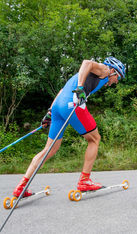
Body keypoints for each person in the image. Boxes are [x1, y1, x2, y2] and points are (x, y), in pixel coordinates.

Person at [13, 57, 126, 197]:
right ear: (113, 71)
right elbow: (87, 63)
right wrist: (79, 88)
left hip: (58, 106)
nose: (116, 81)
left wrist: (49, 112)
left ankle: (21, 187)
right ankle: (84, 181)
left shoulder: (81, 75)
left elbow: (62, 90)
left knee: (50, 149)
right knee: (95, 139)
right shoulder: (105, 69)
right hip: (72, 104)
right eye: (118, 78)